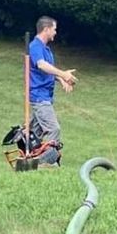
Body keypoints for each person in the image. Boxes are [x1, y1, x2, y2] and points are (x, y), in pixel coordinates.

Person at [28, 16, 78, 153]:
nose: (56, 32)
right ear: (46, 29)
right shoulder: (35, 46)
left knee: (34, 133)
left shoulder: (46, 49)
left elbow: (48, 71)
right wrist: (63, 74)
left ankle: (29, 161)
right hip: (39, 96)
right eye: (54, 29)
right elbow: (42, 65)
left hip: (45, 96)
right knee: (53, 129)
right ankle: (49, 162)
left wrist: (61, 79)